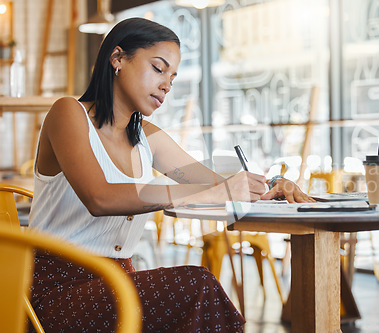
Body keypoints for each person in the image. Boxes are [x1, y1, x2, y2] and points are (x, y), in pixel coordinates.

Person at [28, 17, 313, 332]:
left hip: (116, 284)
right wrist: (212, 192)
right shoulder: (68, 113)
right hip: (56, 292)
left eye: (173, 77)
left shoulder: (147, 136)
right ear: (117, 58)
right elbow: (100, 197)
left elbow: (217, 184)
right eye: (158, 68)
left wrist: (274, 185)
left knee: (198, 289)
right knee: (197, 283)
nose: (166, 84)